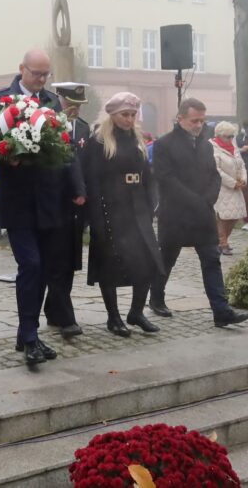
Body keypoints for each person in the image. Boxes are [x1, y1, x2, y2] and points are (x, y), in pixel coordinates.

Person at [0, 49, 86, 367]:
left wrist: (78, 187)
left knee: (44, 268)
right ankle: (29, 337)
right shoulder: (1, 101)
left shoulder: (52, 102)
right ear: (22, 69)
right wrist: (7, 157)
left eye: (45, 74)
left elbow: (66, 146)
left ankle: (26, 331)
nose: (41, 79)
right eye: (36, 73)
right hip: (19, 200)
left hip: (51, 199)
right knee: (30, 264)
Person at [150, 98, 248, 328]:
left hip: (203, 213)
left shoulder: (206, 145)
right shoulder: (164, 144)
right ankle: (156, 296)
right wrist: (195, 200)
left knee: (212, 259)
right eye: (194, 120)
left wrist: (209, 198)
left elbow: (214, 175)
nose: (198, 125)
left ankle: (221, 311)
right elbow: (166, 179)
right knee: (167, 258)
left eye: (202, 121)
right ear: (181, 118)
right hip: (175, 214)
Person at [84, 92, 164, 337]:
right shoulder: (99, 142)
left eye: (132, 114)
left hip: (137, 209)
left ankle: (136, 312)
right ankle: (114, 317)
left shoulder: (137, 139)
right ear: (113, 115)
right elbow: (92, 181)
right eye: (124, 115)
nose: (129, 119)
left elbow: (147, 175)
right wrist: (96, 216)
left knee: (147, 261)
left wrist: (151, 203)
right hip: (111, 209)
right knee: (110, 264)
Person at [45, 81, 93, 339]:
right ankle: (65, 317)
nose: (74, 110)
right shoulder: (48, 126)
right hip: (55, 201)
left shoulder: (84, 129)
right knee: (57, 260)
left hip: (78, 203)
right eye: (70, 104)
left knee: (71, 262)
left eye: (78, 105)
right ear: (59, 100)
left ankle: (53, 308)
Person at [210, 121, 247, 256]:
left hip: (236, 187)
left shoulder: (233, 147)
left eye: (232, 136)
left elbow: (241, 164)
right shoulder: (212, 148)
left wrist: (243, 179)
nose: (230, 139)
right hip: (221, 187)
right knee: (223, 217)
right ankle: (222, 243)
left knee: (234, 216)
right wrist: (232, 182)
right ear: (219, 135)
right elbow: (216, 169)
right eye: (227, 136)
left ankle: (223, 240)